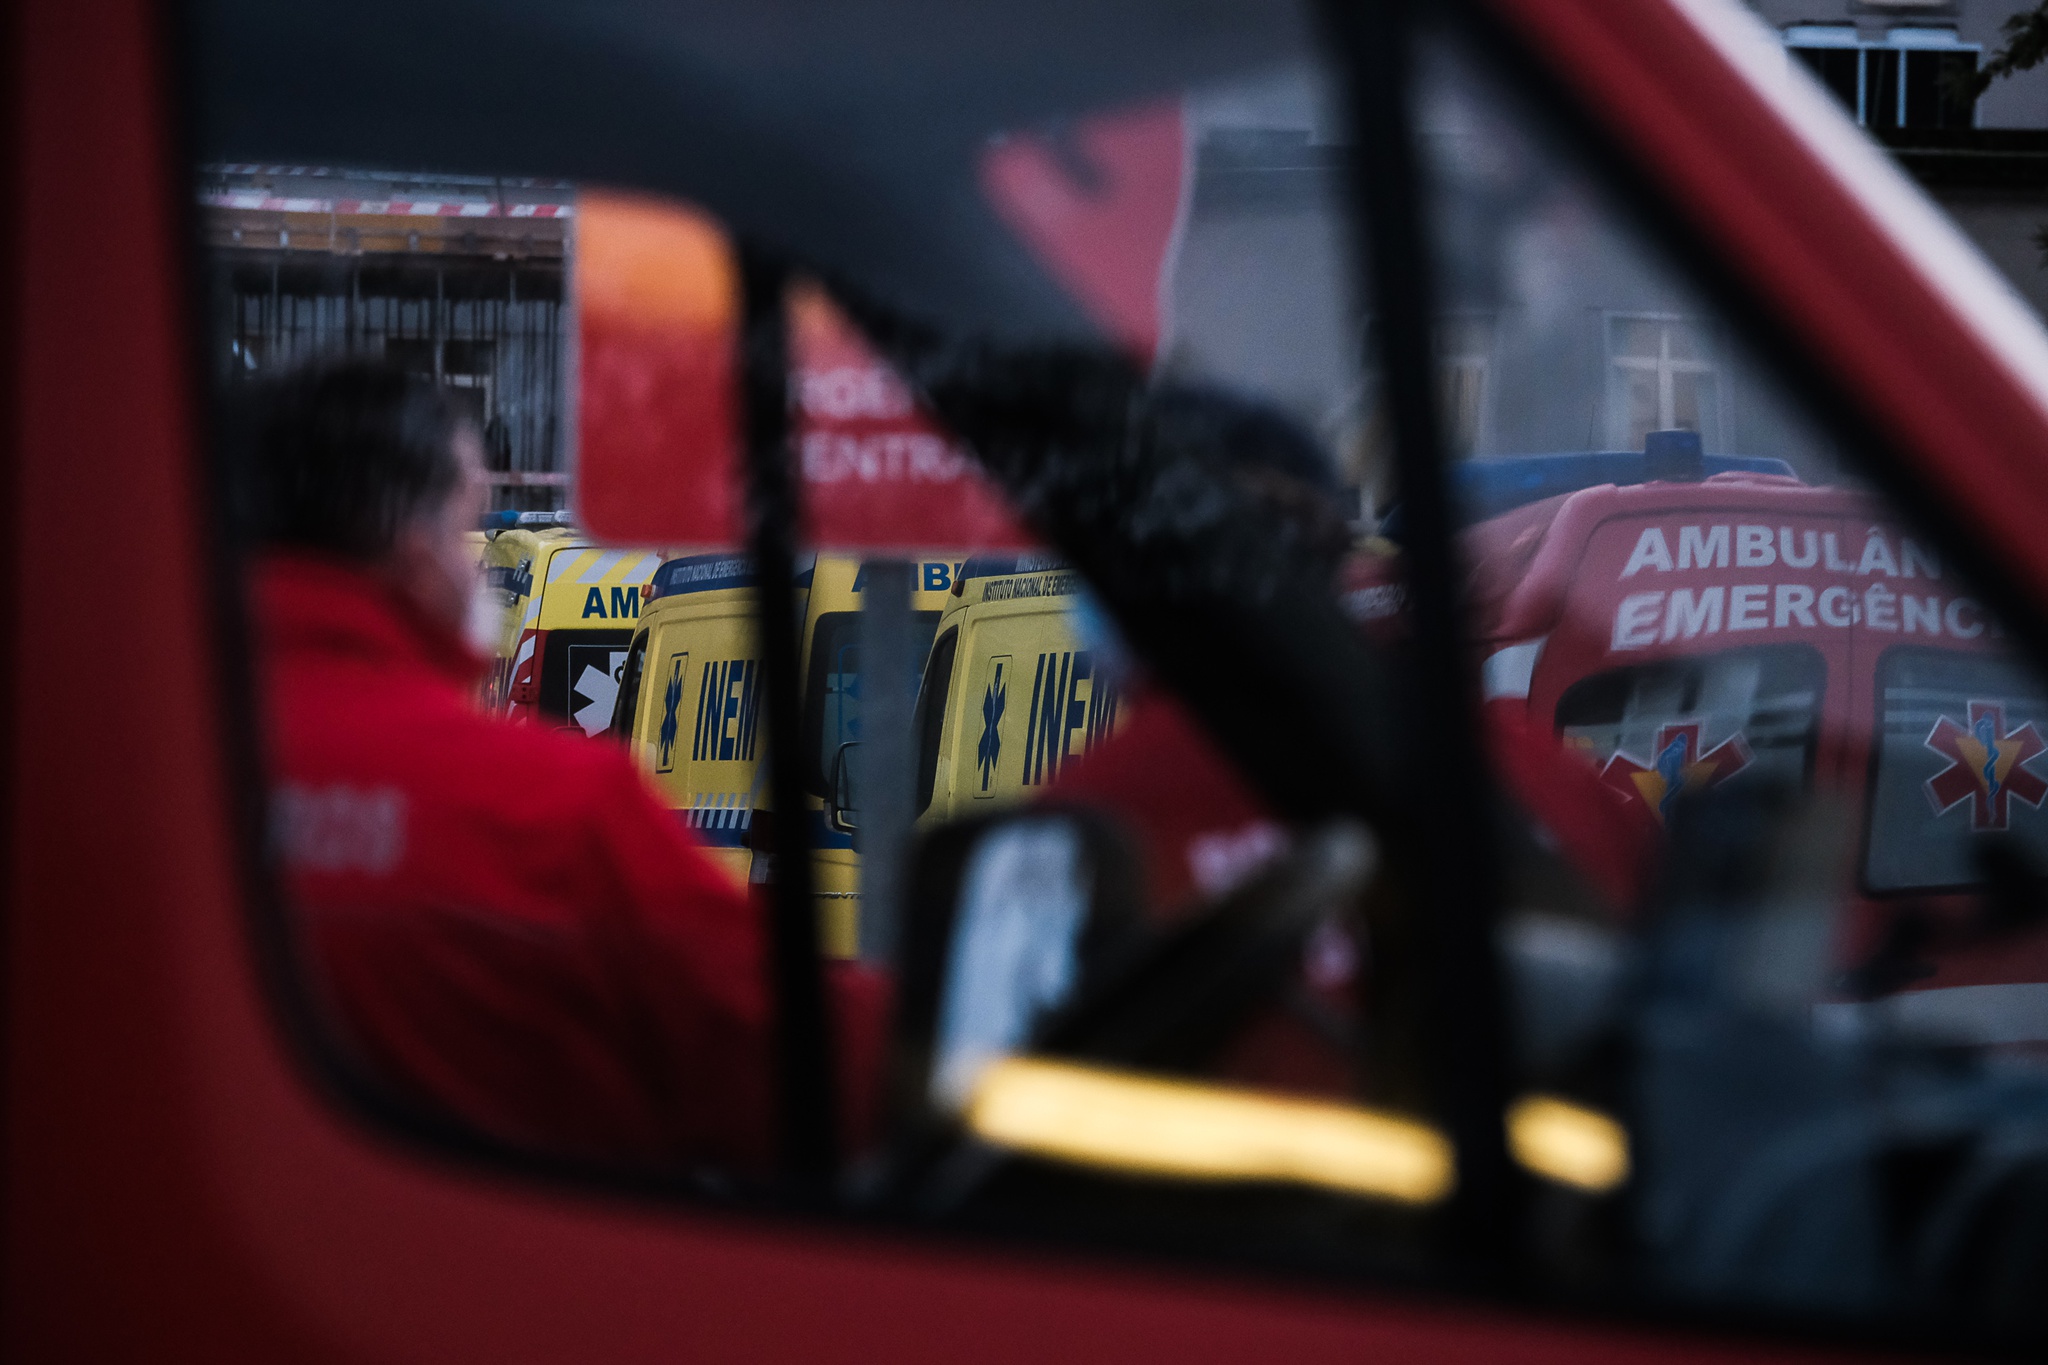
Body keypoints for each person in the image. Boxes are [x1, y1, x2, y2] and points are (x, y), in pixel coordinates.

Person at [238, 359, 881, 1178]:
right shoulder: (554, 808)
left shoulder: (121, 771)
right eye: (462, 523)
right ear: (417, 553)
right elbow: (809, 1064)